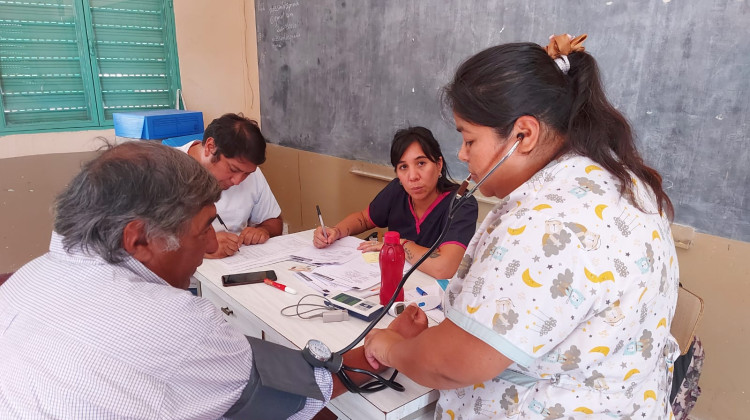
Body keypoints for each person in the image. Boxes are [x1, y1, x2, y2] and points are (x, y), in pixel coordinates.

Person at [363, 34, 680, 419]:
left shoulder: (548, 223)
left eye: (468, 139)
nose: (462, 155)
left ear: (523, 135)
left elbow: (453, 363)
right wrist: (434, 338)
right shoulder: (622, 179)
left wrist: (389, 346)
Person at [0, 141, 418, 419]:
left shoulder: (25, 279)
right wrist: (385, 347)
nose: (207, 248)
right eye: (203, 229)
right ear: (140, 238)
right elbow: (286, 392)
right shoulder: (172, 322)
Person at [313, 127, 478, 279]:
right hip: (394, 281)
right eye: (403, 167)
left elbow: (443, 268)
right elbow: (364, 219)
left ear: (438, 164)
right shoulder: (398, 190)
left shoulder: (462, 203)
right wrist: (336, 231)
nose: (412, 176)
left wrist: (399, 244)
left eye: (421, 163)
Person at [177, 112, 282, 258]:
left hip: (238, 265)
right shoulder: (167, 171)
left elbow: (274, 221)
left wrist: (263, 230)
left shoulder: (249, 170)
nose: (238, 181)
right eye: (233, 169)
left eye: (247, 174)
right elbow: (146, 244)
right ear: (210, 147)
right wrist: (204, 246)